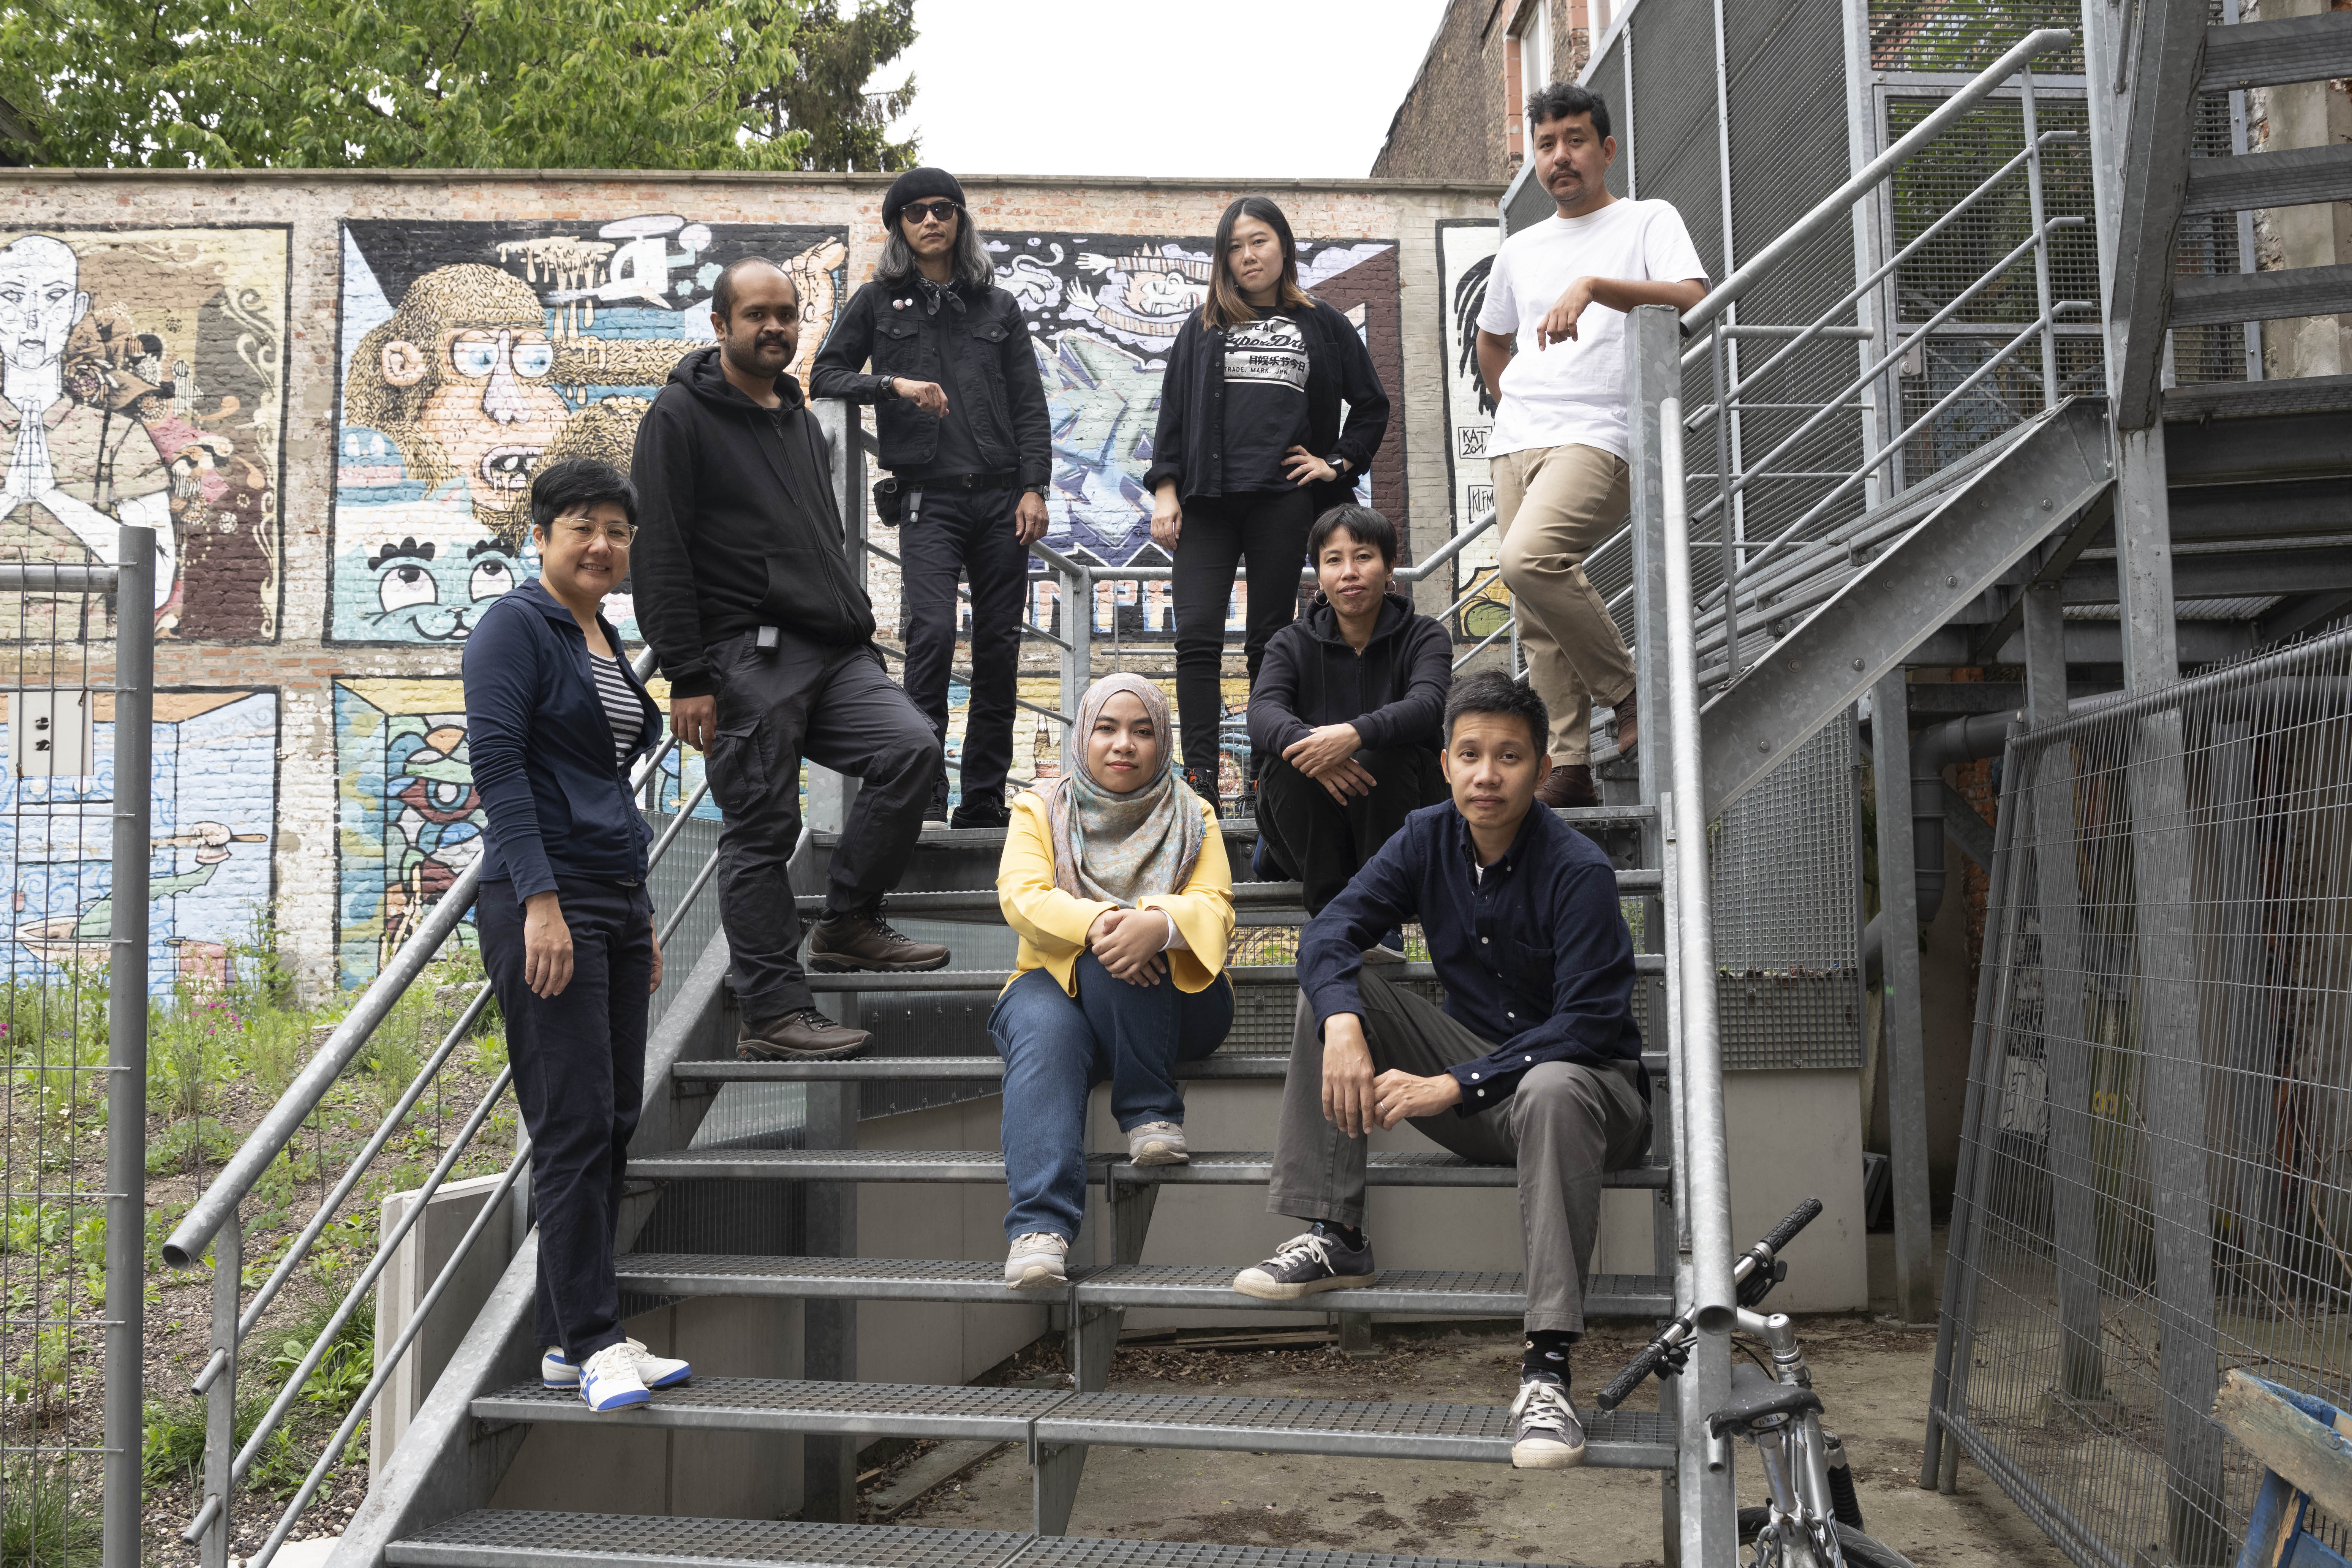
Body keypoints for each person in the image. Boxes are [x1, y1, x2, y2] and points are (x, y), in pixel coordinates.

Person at [1234, 669, 1650, 1470]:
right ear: (1446, 761)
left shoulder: (1578, 869)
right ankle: (1338, 1234)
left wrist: (1455, 1084)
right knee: (1334, 992)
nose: (1487, 775)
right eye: (1470, 755)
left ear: (1537, 767)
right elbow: (1331, 933)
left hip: (1591, 1104)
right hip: (1488, 1098)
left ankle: (1548, 1372)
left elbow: (1589, 1025)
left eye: (1509, 758)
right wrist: (1349, 1026)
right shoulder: (1426, 836)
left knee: (1553, 1085)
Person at [632, 256, 949, 1065]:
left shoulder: (799, 418)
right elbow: (660, 551)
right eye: (757, 315)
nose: (775, 328)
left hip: (833, 649)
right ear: (720, 326)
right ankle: (772, 1011)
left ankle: (846, 922)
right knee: (762, 830)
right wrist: (688, 674)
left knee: (910, 750)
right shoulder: (679, 416)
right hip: (746, 654)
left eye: (787, 314)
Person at [463, 456, 691, 1413]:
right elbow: (501, 768)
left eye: (617, 531)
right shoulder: (514, 625)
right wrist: (539, 903)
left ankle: (571, 1336)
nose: (602, 545)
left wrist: (637, 917)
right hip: (542, 899)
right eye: (582, 527)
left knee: (610, 1120)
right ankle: (595, 1337)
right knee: (568, 1123)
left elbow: (608, 790)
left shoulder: (603, 634)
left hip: (610, 894)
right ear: (542, 534)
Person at [1474, 82, 1708, 809]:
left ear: (1605, 149)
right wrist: (1514, 395)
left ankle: (1629, 690)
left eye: (1574, 140)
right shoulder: (1519, 249)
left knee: (1528, 559)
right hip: (1519, 440)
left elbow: (1694, 299)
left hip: (1600, 432)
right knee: (1534, 612)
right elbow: (1492, 337)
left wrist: (1596, 287)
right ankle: (1567, 766)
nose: (1560, 157)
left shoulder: (1646, 220)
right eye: (1546, 144)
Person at [813, 168, 1052, 830]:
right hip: (928, 500)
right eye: (914, 211)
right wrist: (892, 385)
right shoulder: (875, 301)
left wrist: (1035, 487)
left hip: (1003, 500)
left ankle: (981, 798)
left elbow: (1030, 406)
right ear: (898, 225)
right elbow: (824, 374)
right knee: (932, 638)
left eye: (942, 209)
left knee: (1000, 648)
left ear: (958, 219)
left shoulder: (998, 307)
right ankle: (922, 796)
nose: (929, 220)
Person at [1145, 196, 1392, 817]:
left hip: (1282, 503)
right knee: (1196, 638)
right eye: (1233, 246)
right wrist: (1165, 490)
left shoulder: (1321, 324)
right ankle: (1200, 782)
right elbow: (1171, 414)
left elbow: (1371, 406)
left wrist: (1335, 463)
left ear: (1282, 245)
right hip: (1206, 503)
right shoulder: (1202, 327)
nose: (1247, 255)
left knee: (1270, 642)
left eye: (1257, 241)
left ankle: (1265, 777)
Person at [989, 674, 1235, 1290]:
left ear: (1164, 742)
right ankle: (1039, 1234)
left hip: (1180, 1000)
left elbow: (1216, 905)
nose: (1123, 743)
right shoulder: (1039, 808)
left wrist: (1160, 925)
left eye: (1142, 730)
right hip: (1050, 980)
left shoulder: (1193, 812)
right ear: (1084, 737)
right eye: (1106, 727)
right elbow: (1022, 898)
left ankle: (1150, 1110)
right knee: (1045, 1035)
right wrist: (1102, 919)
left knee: (1130, 939)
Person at [1247, 504, 1452, 946]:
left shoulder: (1425, 636)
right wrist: (1312, 751)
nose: (1349, 572)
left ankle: (1377, 915)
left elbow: (1428, 705)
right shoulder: (1291, 642)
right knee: (1288, 761)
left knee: (1384, 752)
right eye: (1334, 560)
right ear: (1319, 575)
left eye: (1363, 557)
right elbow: (1262, 713)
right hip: (1310, 823)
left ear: (1390, 565)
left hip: (1397, 813)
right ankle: (1336, 924)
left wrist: (1353, 737)